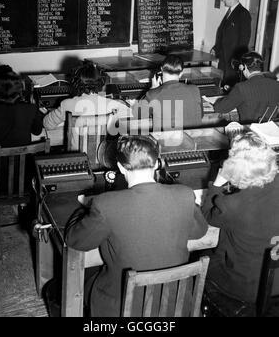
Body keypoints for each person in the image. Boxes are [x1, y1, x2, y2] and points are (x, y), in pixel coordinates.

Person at [65, 135, 208, 317]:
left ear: (120, 167)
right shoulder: (185, 194)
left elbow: (77, 241)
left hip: (122, 306)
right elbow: (199, 231)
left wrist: (83, 209)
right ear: (157, 164)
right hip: (174, 303)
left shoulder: (106, 204)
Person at [202, 132, 279, 306]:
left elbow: (207, 215)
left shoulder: (231, 204)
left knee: (200, 260)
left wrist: (216, 185)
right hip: (276, 284)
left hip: (246, 288)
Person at [0, 66, 44, 185]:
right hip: (25, 177)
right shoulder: (30, 108)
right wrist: (35, 106)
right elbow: (37, 131)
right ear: (19, 88)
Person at [43, 61, 131, 133]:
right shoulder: (113, 105)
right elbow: (130, 120)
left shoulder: (66, 104)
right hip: (103, 152)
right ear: (101, 82)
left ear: (75, 83)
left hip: (77, 154)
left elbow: (47, 125)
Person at [211, 52, 279, 123]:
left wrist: (218, 100)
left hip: (249, 130)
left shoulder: (241, 87)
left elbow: (220, 108)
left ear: (244, 67)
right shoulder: (276, 84)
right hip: (272, 131)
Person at [142, 54, 203, 130]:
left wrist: (153, 88)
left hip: (167, 140)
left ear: (161, 70)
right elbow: (201, 115)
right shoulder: (194, 89)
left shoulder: (154, 94)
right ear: (181, 73)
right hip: (194, 138)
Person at [211, 0, 252, 88]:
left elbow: (244, 39)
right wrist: (216, 48)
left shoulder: (243, 13)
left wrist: (237, 59)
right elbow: (223, 32)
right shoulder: (230, 12)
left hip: (232, 59)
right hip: (223, 57)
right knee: (221, 83)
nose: (223, 0)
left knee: (229, 86)